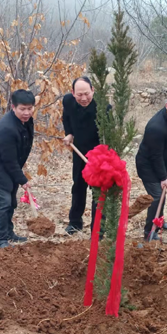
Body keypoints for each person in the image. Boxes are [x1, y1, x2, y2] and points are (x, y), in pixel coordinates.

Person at [0, 89, 35, 248]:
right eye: (22, 109)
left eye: (29, 108)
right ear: (13, 107)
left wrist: (18, 176)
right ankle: (0, 240)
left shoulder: (26, 121)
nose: (26, 112)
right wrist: (22, 180)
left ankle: (8, 233)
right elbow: (8, 159)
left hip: (11, 168)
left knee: (11, 202)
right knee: (3, 203)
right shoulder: (6, 128)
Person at [135, 91, 167, 241]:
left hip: (162, 161)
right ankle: (149, 231)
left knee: (161, 194)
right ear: (166, 106)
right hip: (148, 165)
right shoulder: (156, 127)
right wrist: (163, 177)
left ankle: (159, 219)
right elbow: (155, 156)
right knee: (157, 196)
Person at [62, 77, 107, 234]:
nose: (83, 98)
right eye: (79, 94)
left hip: (98, 154)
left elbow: (107, 134)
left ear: (93, 90)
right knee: (78, 186)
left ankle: (98, 227)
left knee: (98, 190)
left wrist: (101, 158)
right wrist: (69, 134)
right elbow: (66, 117)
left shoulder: (103, 106)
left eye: (87, 94)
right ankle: (75, 222)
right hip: (79, 150)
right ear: (73, 93)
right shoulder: (68, 101)